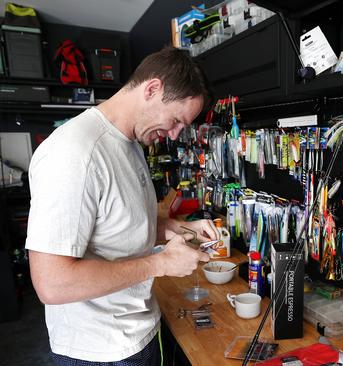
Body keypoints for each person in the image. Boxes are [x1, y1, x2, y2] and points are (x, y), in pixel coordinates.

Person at [25, 47, 215, 365]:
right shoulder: (75, 152)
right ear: (152, 89)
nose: (174, 134)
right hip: (100, 353)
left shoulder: (129, 144)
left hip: (135, 333)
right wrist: (161, 264)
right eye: (176, 121)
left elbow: (124, 225)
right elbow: (52, 284)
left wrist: (183, 229)